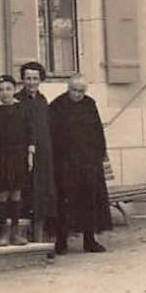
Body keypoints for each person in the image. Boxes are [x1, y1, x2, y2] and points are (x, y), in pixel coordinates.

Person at [48, 73, 112, 254]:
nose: (78, 94)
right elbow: (52, 136)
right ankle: (61, 241)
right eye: (75, 90)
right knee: (65, 203)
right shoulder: (57, 106)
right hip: (65, 164)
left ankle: (90, 240)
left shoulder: (90, 104)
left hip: (88, 163)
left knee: (89, 201)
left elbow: (97, 131)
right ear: (68, 89)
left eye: (81, 91)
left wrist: (100, 155)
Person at [0, 74, 31, 246]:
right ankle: (3, 233)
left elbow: (29, 133)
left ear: (14, 90)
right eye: (1, 90)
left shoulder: (22, 109)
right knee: (3, 194)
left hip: (18, 157)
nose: (5, 93)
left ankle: (15, 233)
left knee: (16, 193)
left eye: (8, 89)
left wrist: (30, 154)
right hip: (1, 159)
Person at [15, 60, 55, 245]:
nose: (31, 82)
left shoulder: (42, 101)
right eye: (28, 78)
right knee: (26, 194)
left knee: (42, 196)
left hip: (43, 156)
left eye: (35, 78)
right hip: (23, 156)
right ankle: (23, 237)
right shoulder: (17, 100)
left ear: (40, 80)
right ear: (22, 80)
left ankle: (39, 238)